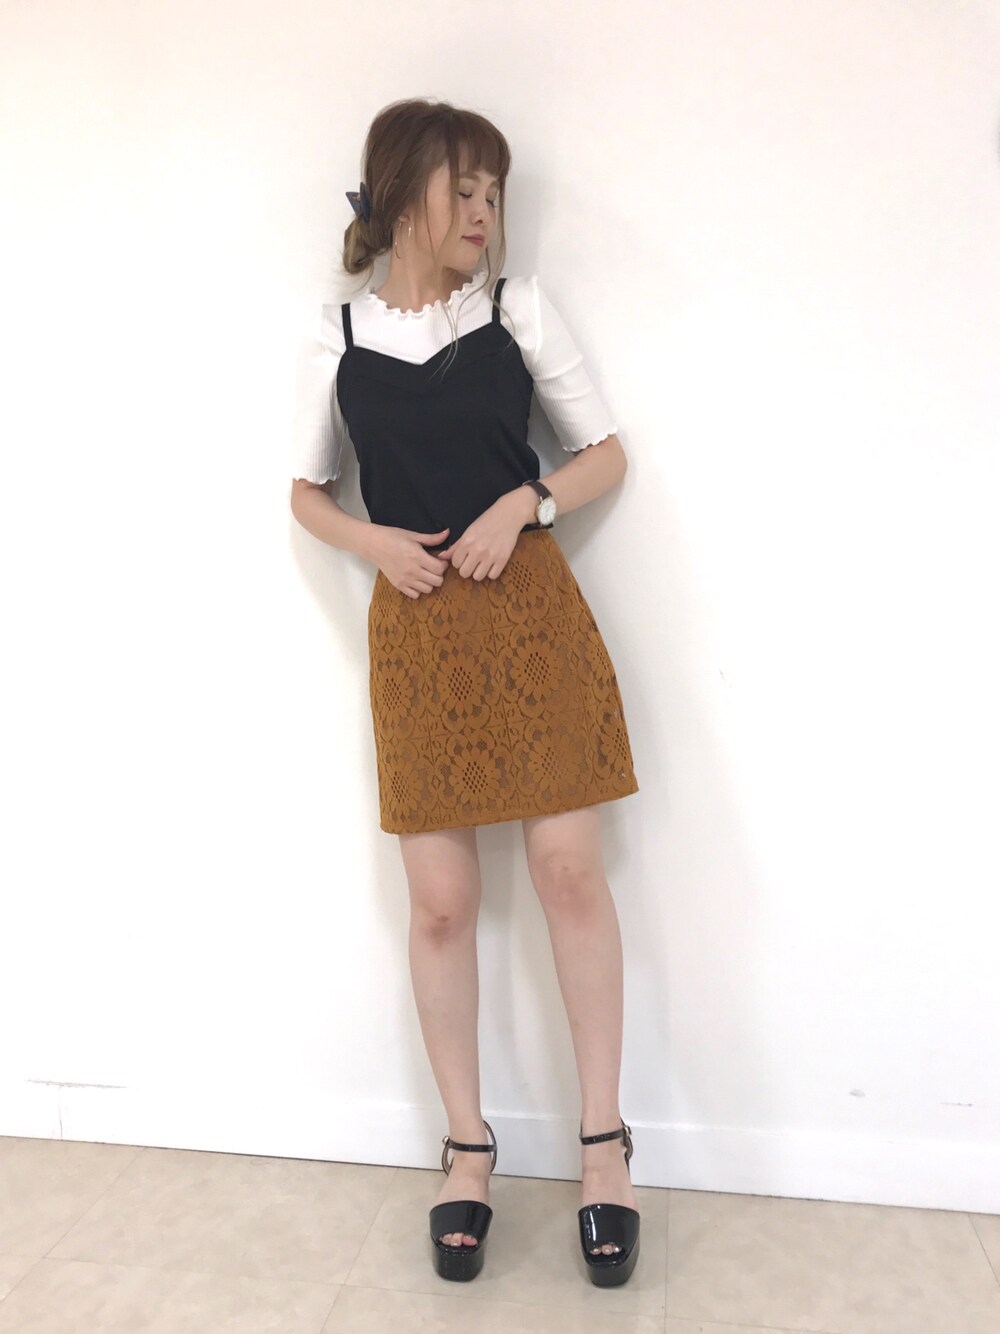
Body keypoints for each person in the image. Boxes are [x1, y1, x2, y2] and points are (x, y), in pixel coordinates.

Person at [290, 98, 641, 1287]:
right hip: (418, 632)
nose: (486, 211)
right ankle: (467, 1148)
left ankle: (603, 1148)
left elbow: (605, 452)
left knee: (567, 871)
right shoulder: (337, 335)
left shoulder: (514, 311)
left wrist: (522, 504)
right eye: (466, 188)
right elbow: (304, 490)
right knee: (439, 903)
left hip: (531, 616)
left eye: (496, 192)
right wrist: (372, 541)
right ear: (400, 195)